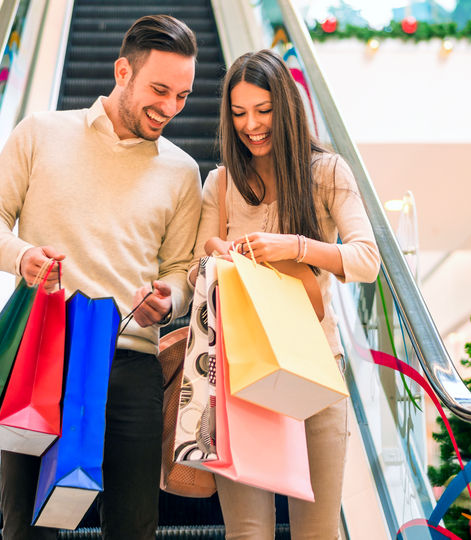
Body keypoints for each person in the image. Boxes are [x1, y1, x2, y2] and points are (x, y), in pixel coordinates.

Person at [0, 15, 202, 540]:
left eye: (183, 96)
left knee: (134, 527)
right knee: (26, 526)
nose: (170, 108)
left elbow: (181, 270)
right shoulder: (39, 133)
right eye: (159, 90)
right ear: (123, 71)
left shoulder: (183, 171)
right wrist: (23, 256)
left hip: (132, 362)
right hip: (42, 356)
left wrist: (170, 298)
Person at [193, 49, 381, 539]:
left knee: (318, 532)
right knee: (247, 533)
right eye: (238, 114)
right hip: (241, 373)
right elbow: (198, 269)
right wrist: (218, 250)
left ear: (287, 107)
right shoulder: (221, 182)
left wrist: (295, 246)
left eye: (263, 110)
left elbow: (367, 259)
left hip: (315, 364)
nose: (251, 126)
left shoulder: (326, 172)